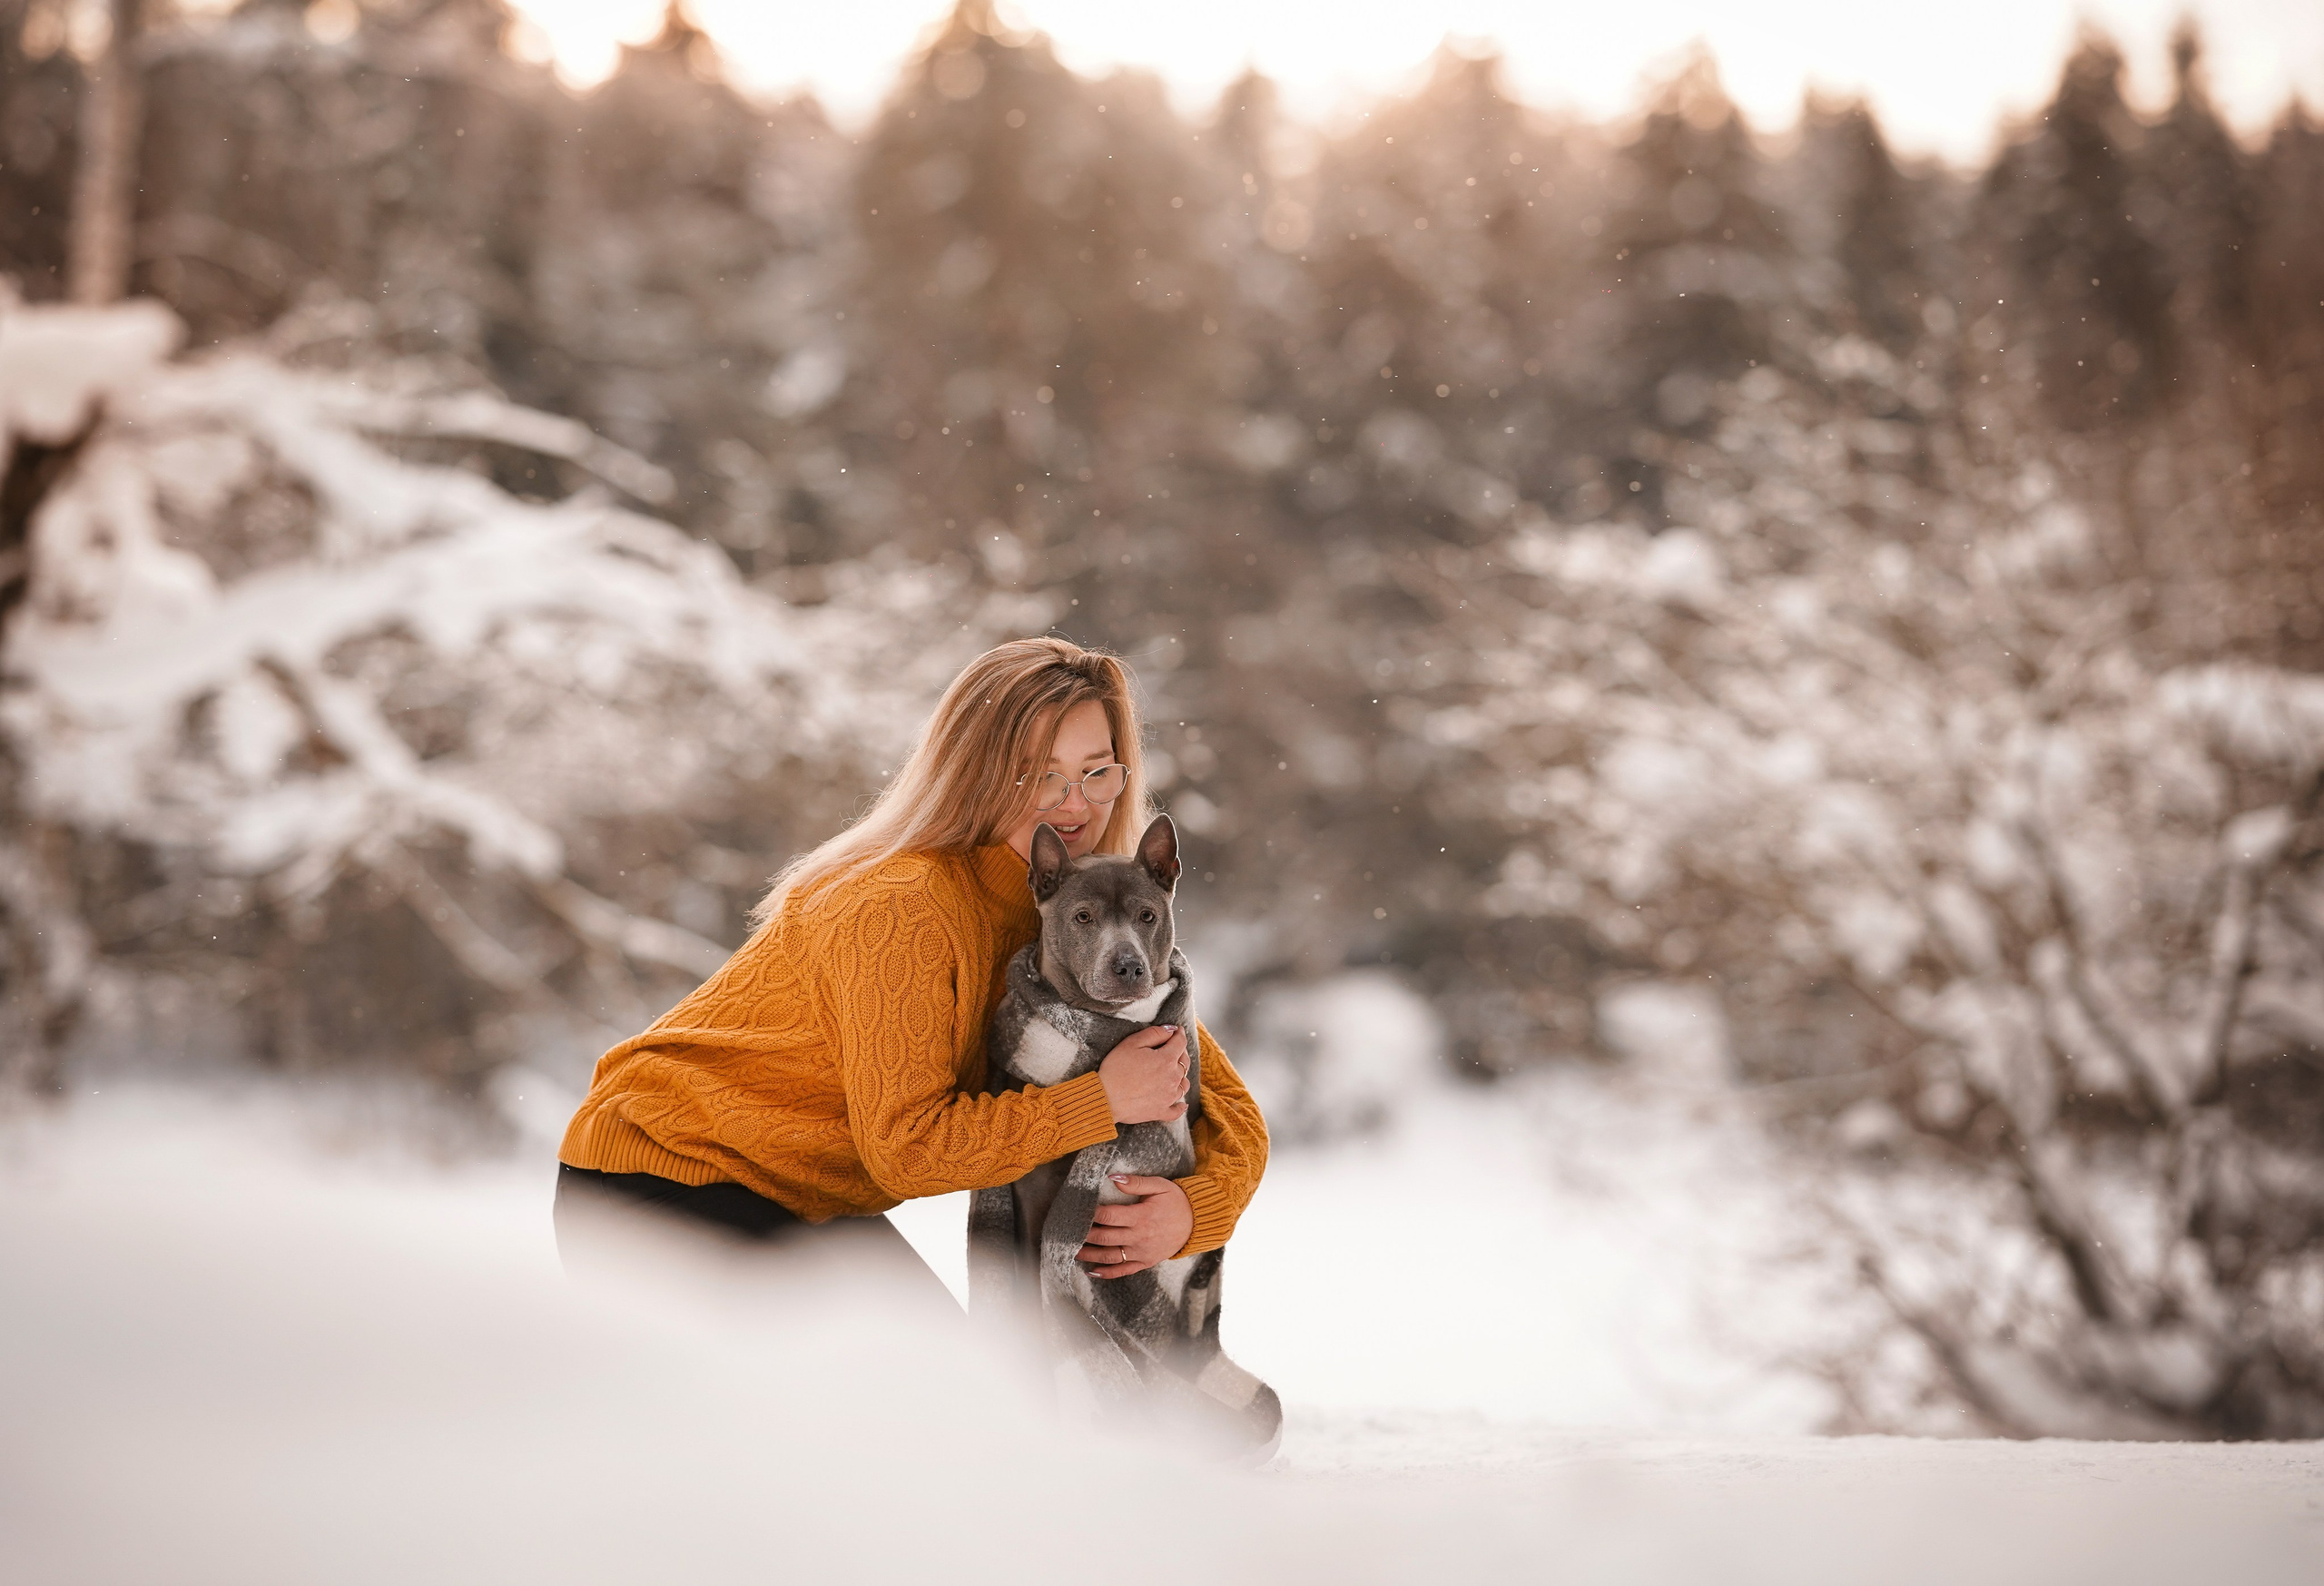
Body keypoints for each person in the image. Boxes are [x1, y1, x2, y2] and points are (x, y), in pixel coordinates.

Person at [554, 635, 1268, 1308]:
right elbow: (907, 1147)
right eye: (1040, 774)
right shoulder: (900, 906)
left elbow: (1220, 1104)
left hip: (804, 1199)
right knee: (930, 1419)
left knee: (974, 1406)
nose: (1075, 803)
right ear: (978, 772)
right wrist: (1097, 1100)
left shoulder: (1069, 915)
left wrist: (1189, 1212)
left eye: (1095, 771)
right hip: (658, 1181)